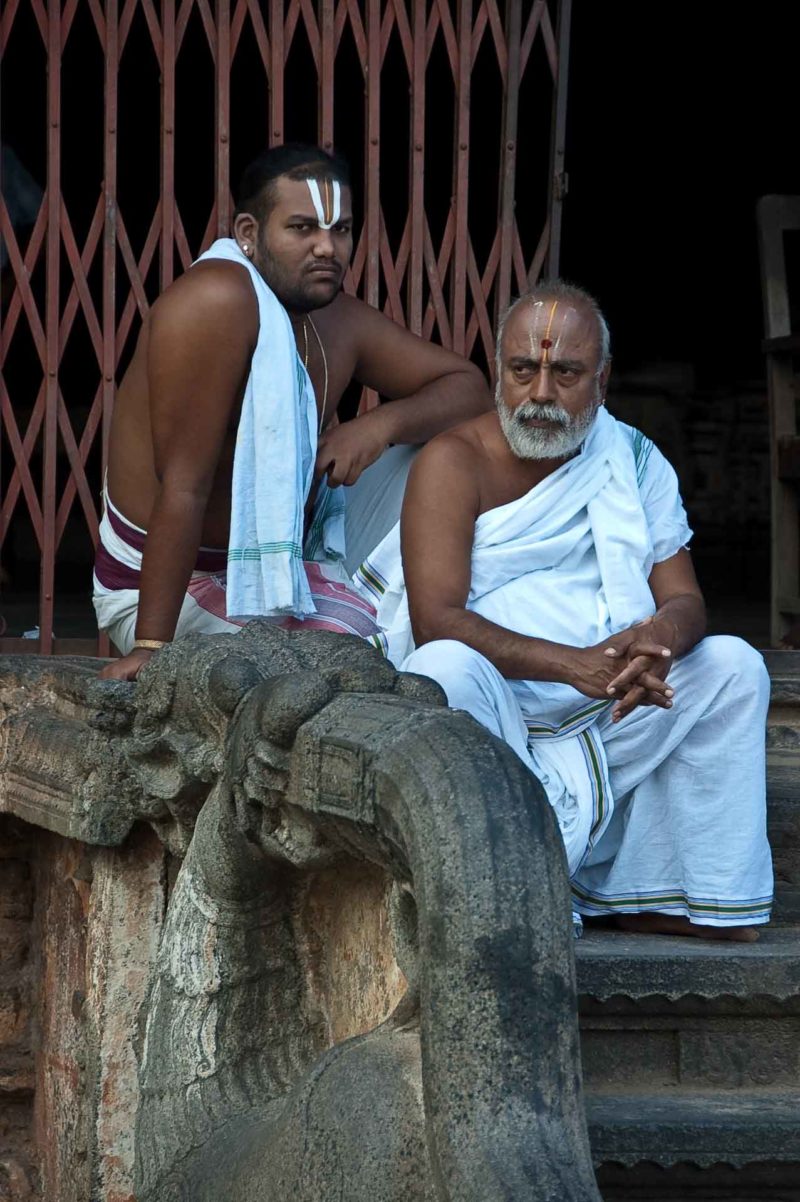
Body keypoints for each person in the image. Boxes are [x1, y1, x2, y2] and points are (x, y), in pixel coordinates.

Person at [355, 281, 773, 940]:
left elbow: (685, 597)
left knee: (734, 666)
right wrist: (568, 666)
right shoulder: (452, 460)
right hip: (500, 712)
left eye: (565, 373)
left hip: (613, 709)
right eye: (523, 371)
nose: (541, 393)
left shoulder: (632, 460)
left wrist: (658, 639)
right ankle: (501, 885)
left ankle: (684, 895)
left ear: (602, 381)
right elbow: (437, 618)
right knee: (441, 666)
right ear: (501, 373)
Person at [95, 144, 490, 680]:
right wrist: (150, 646)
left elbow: (469, 388)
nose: (328, 248)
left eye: (342, 230)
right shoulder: (213, 302)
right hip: (174, 584)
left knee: (442, 454)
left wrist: (377, 426)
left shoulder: (336, 318)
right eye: (303, 229)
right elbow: (183, 486)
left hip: (285, 560)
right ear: (249, 235)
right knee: (373, 660)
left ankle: (435, 610)